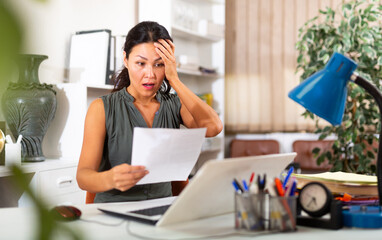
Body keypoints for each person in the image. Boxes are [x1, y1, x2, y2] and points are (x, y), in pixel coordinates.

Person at [76, 21, 223, 203]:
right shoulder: (102, 108)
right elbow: (83, 177)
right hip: (113, 212)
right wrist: (110, 178)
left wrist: (175, 80)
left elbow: (213, 127)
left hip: (159, 211)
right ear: (126, 60)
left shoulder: (173, 104)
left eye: (159, 65)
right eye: (140, 63)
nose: (150, 74)